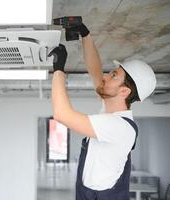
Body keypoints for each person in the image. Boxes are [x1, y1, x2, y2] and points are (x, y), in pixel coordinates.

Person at [49, 22, 156, 200]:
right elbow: (95, 71)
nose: (106, 77)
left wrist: (59, 70)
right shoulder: (110, 110)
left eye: (113, 76)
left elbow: (62, 114)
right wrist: (85, 34)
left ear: (124, 91)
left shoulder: (119, 127)